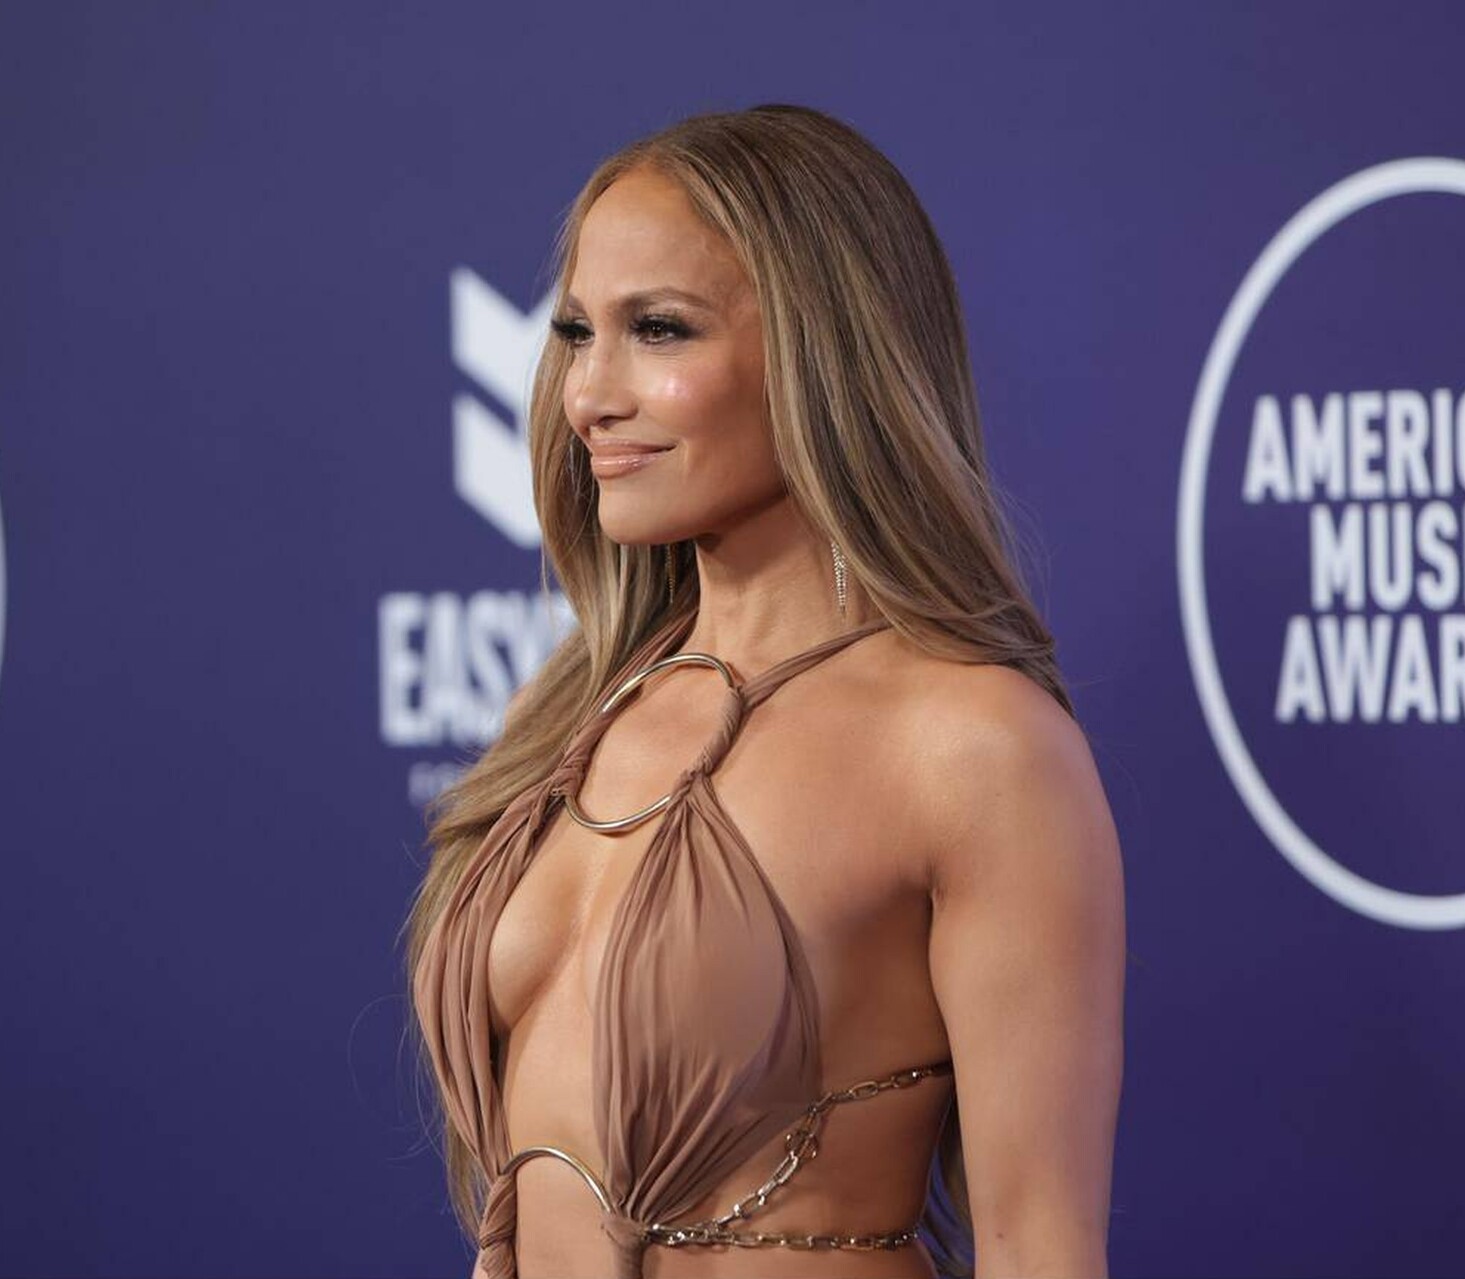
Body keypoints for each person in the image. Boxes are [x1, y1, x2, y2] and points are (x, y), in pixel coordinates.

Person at [405, 103, 1123, 1279]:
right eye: (577, 332)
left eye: (660, 330)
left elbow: (1038, 1242)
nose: (589, 394)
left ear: (824, 354)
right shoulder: (572, 716)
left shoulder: (972, 744)